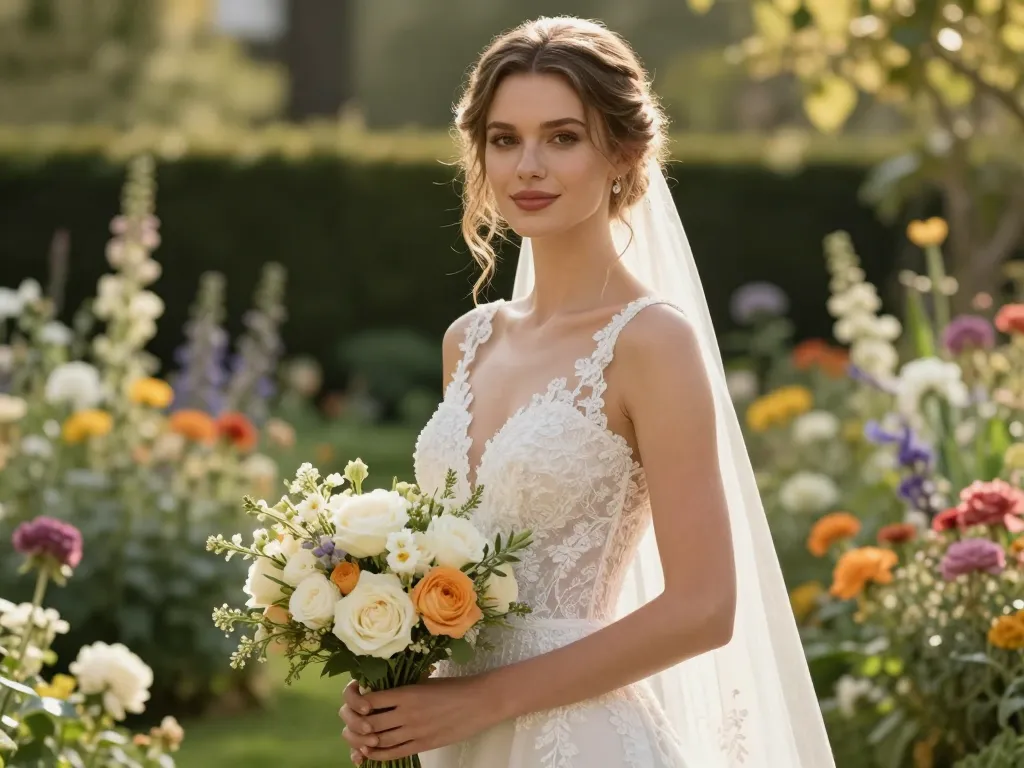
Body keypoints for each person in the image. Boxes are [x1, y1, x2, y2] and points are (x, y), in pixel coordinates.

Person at [339, 16, 835, 768]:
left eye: (562, 137)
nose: (527, 166)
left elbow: (703, 609)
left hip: (579, 740)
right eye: (504, 139)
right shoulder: (468, 340)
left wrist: (485, 699)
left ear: (623, 154)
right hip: (452, 738)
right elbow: (456, 567)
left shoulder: (650, 343)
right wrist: (386, 670)